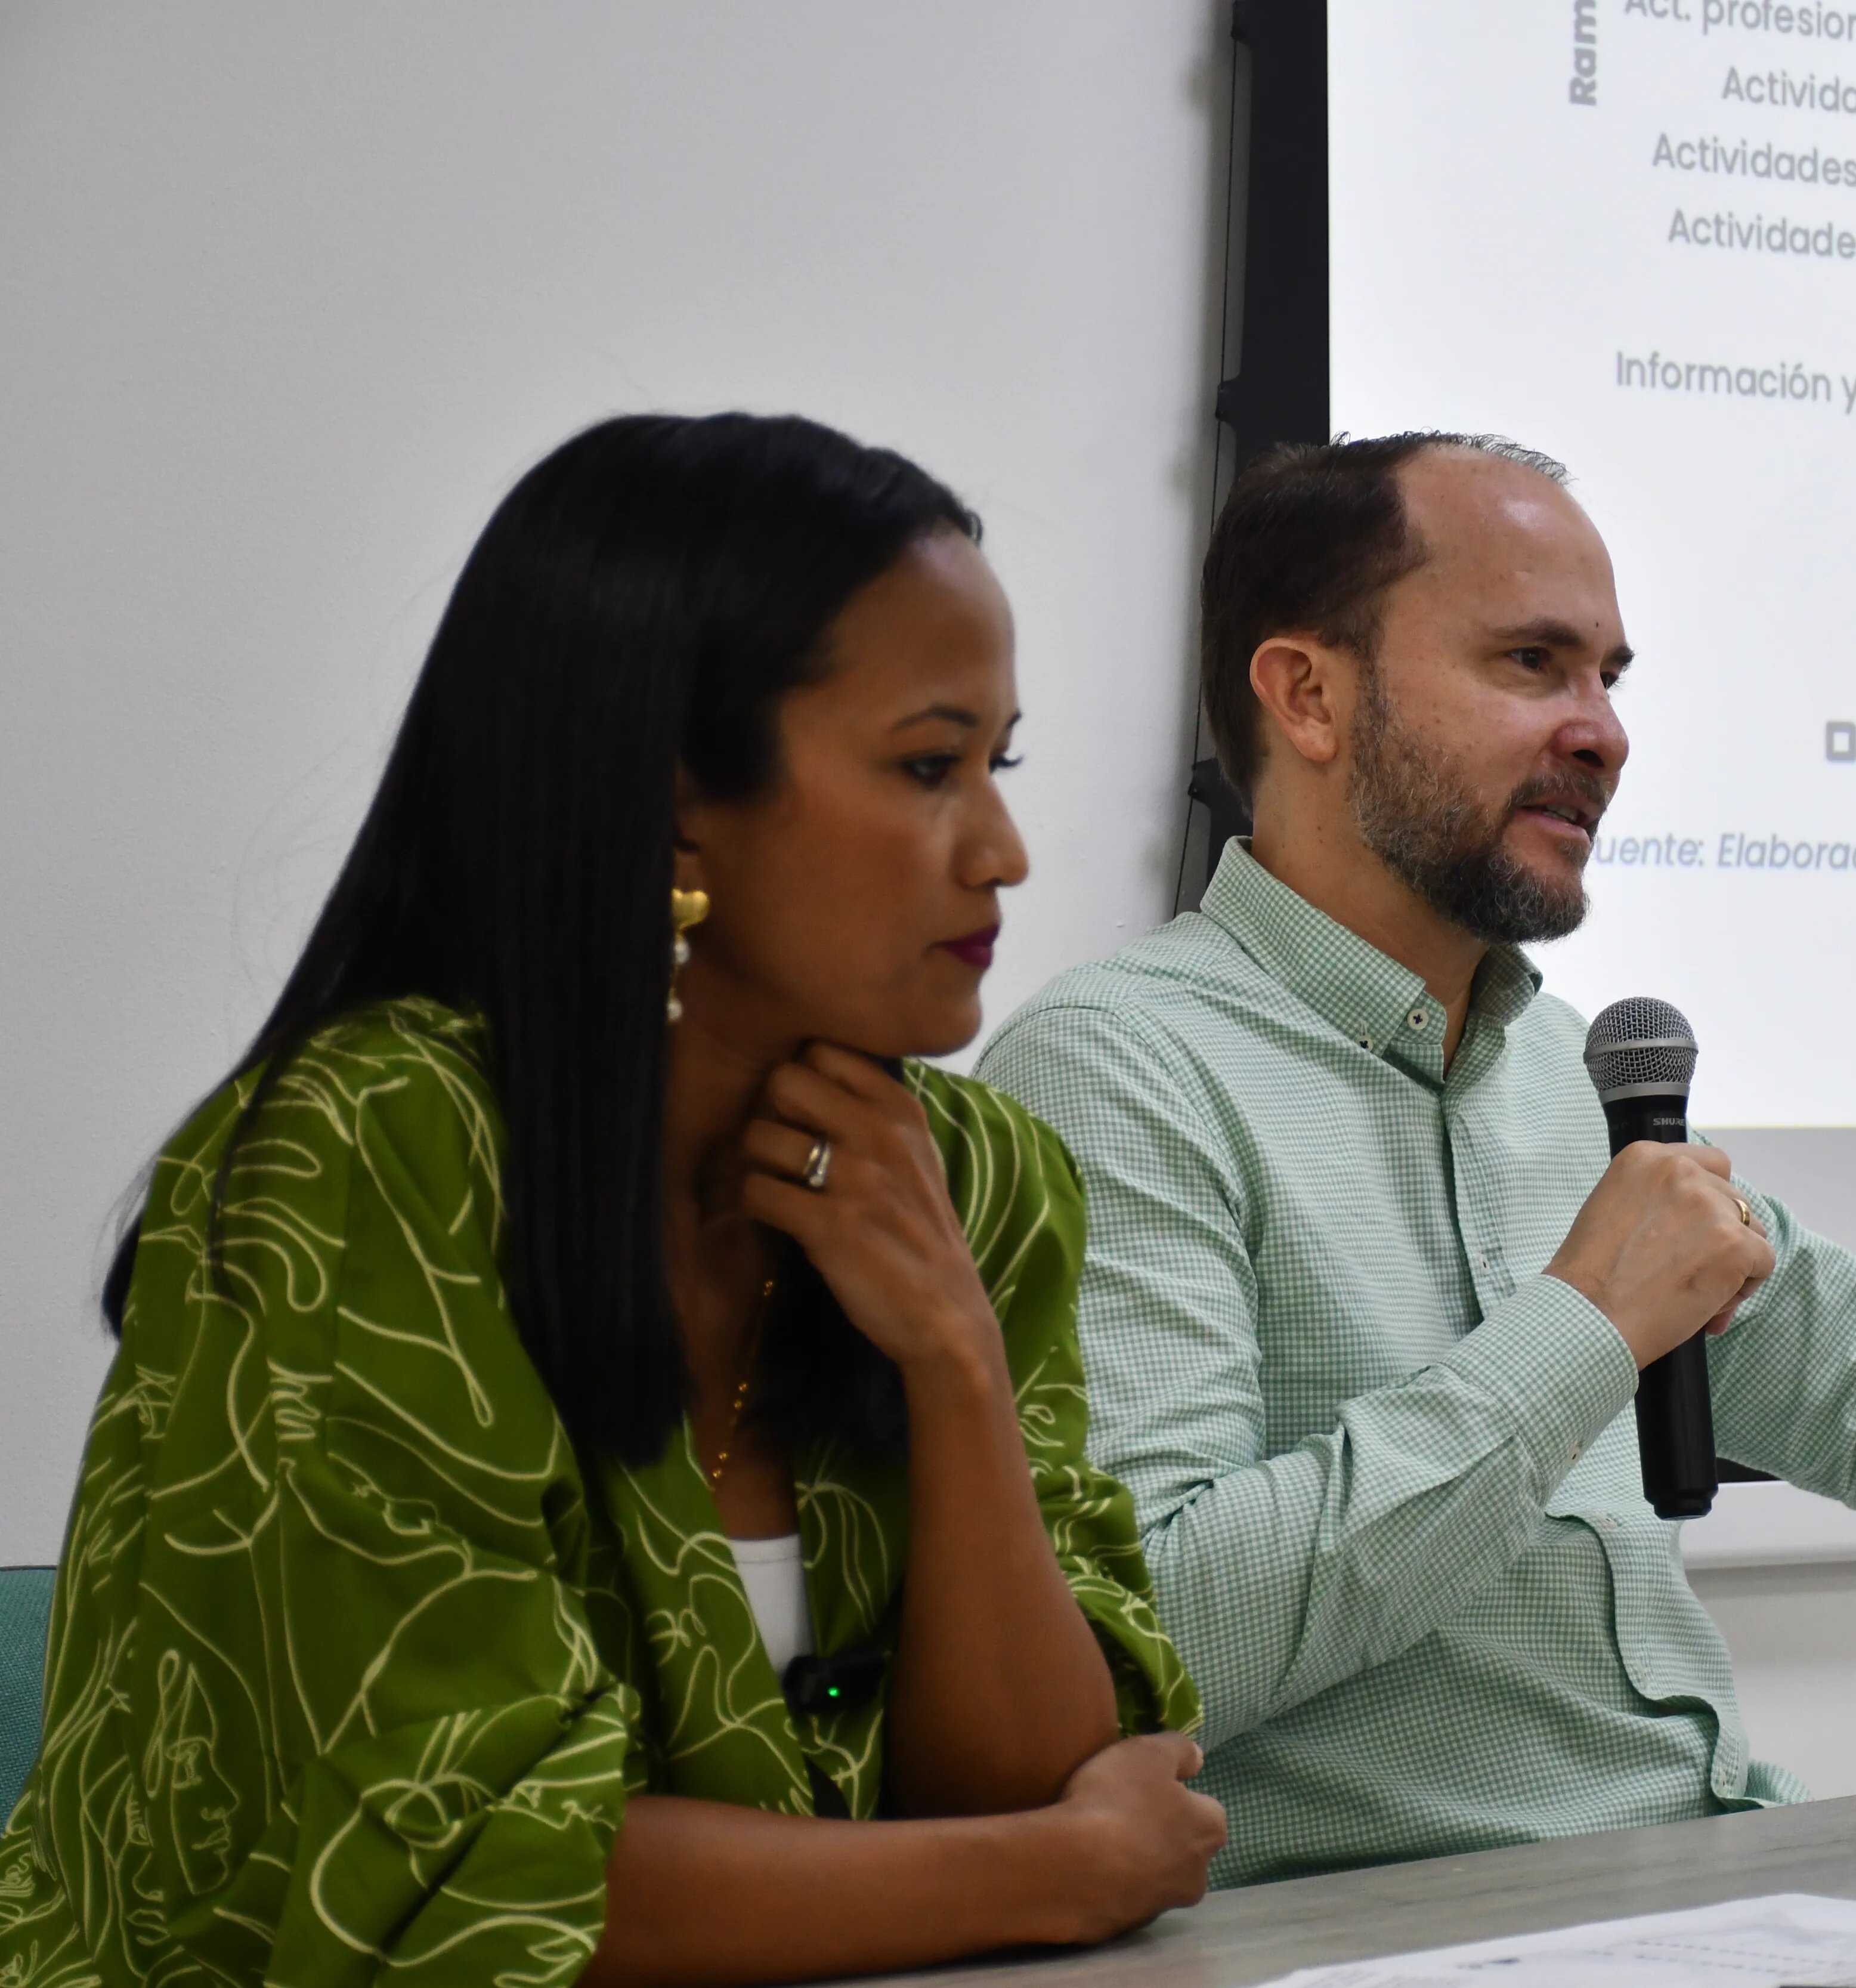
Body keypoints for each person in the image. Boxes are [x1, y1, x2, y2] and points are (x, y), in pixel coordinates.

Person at [977, 431, 1856, 1887]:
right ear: (1310, 695)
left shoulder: (1564, 1070)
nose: (1603, 731)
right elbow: (1151, 1638)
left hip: (1710, 1882)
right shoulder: (1117, 1073)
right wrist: (1582, 1327)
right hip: (1398, 1929)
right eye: (1532, 662)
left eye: (1610, 676)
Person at [0, 414, 1227, 1987]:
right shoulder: (380, 1148)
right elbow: (466, 1864)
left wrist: (955, 1360)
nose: (1004, 849)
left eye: (1003, 762)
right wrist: (1053, 1871)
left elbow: (1043, 1770)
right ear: (675, 806)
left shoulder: (973, 1178)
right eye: (929, 765)